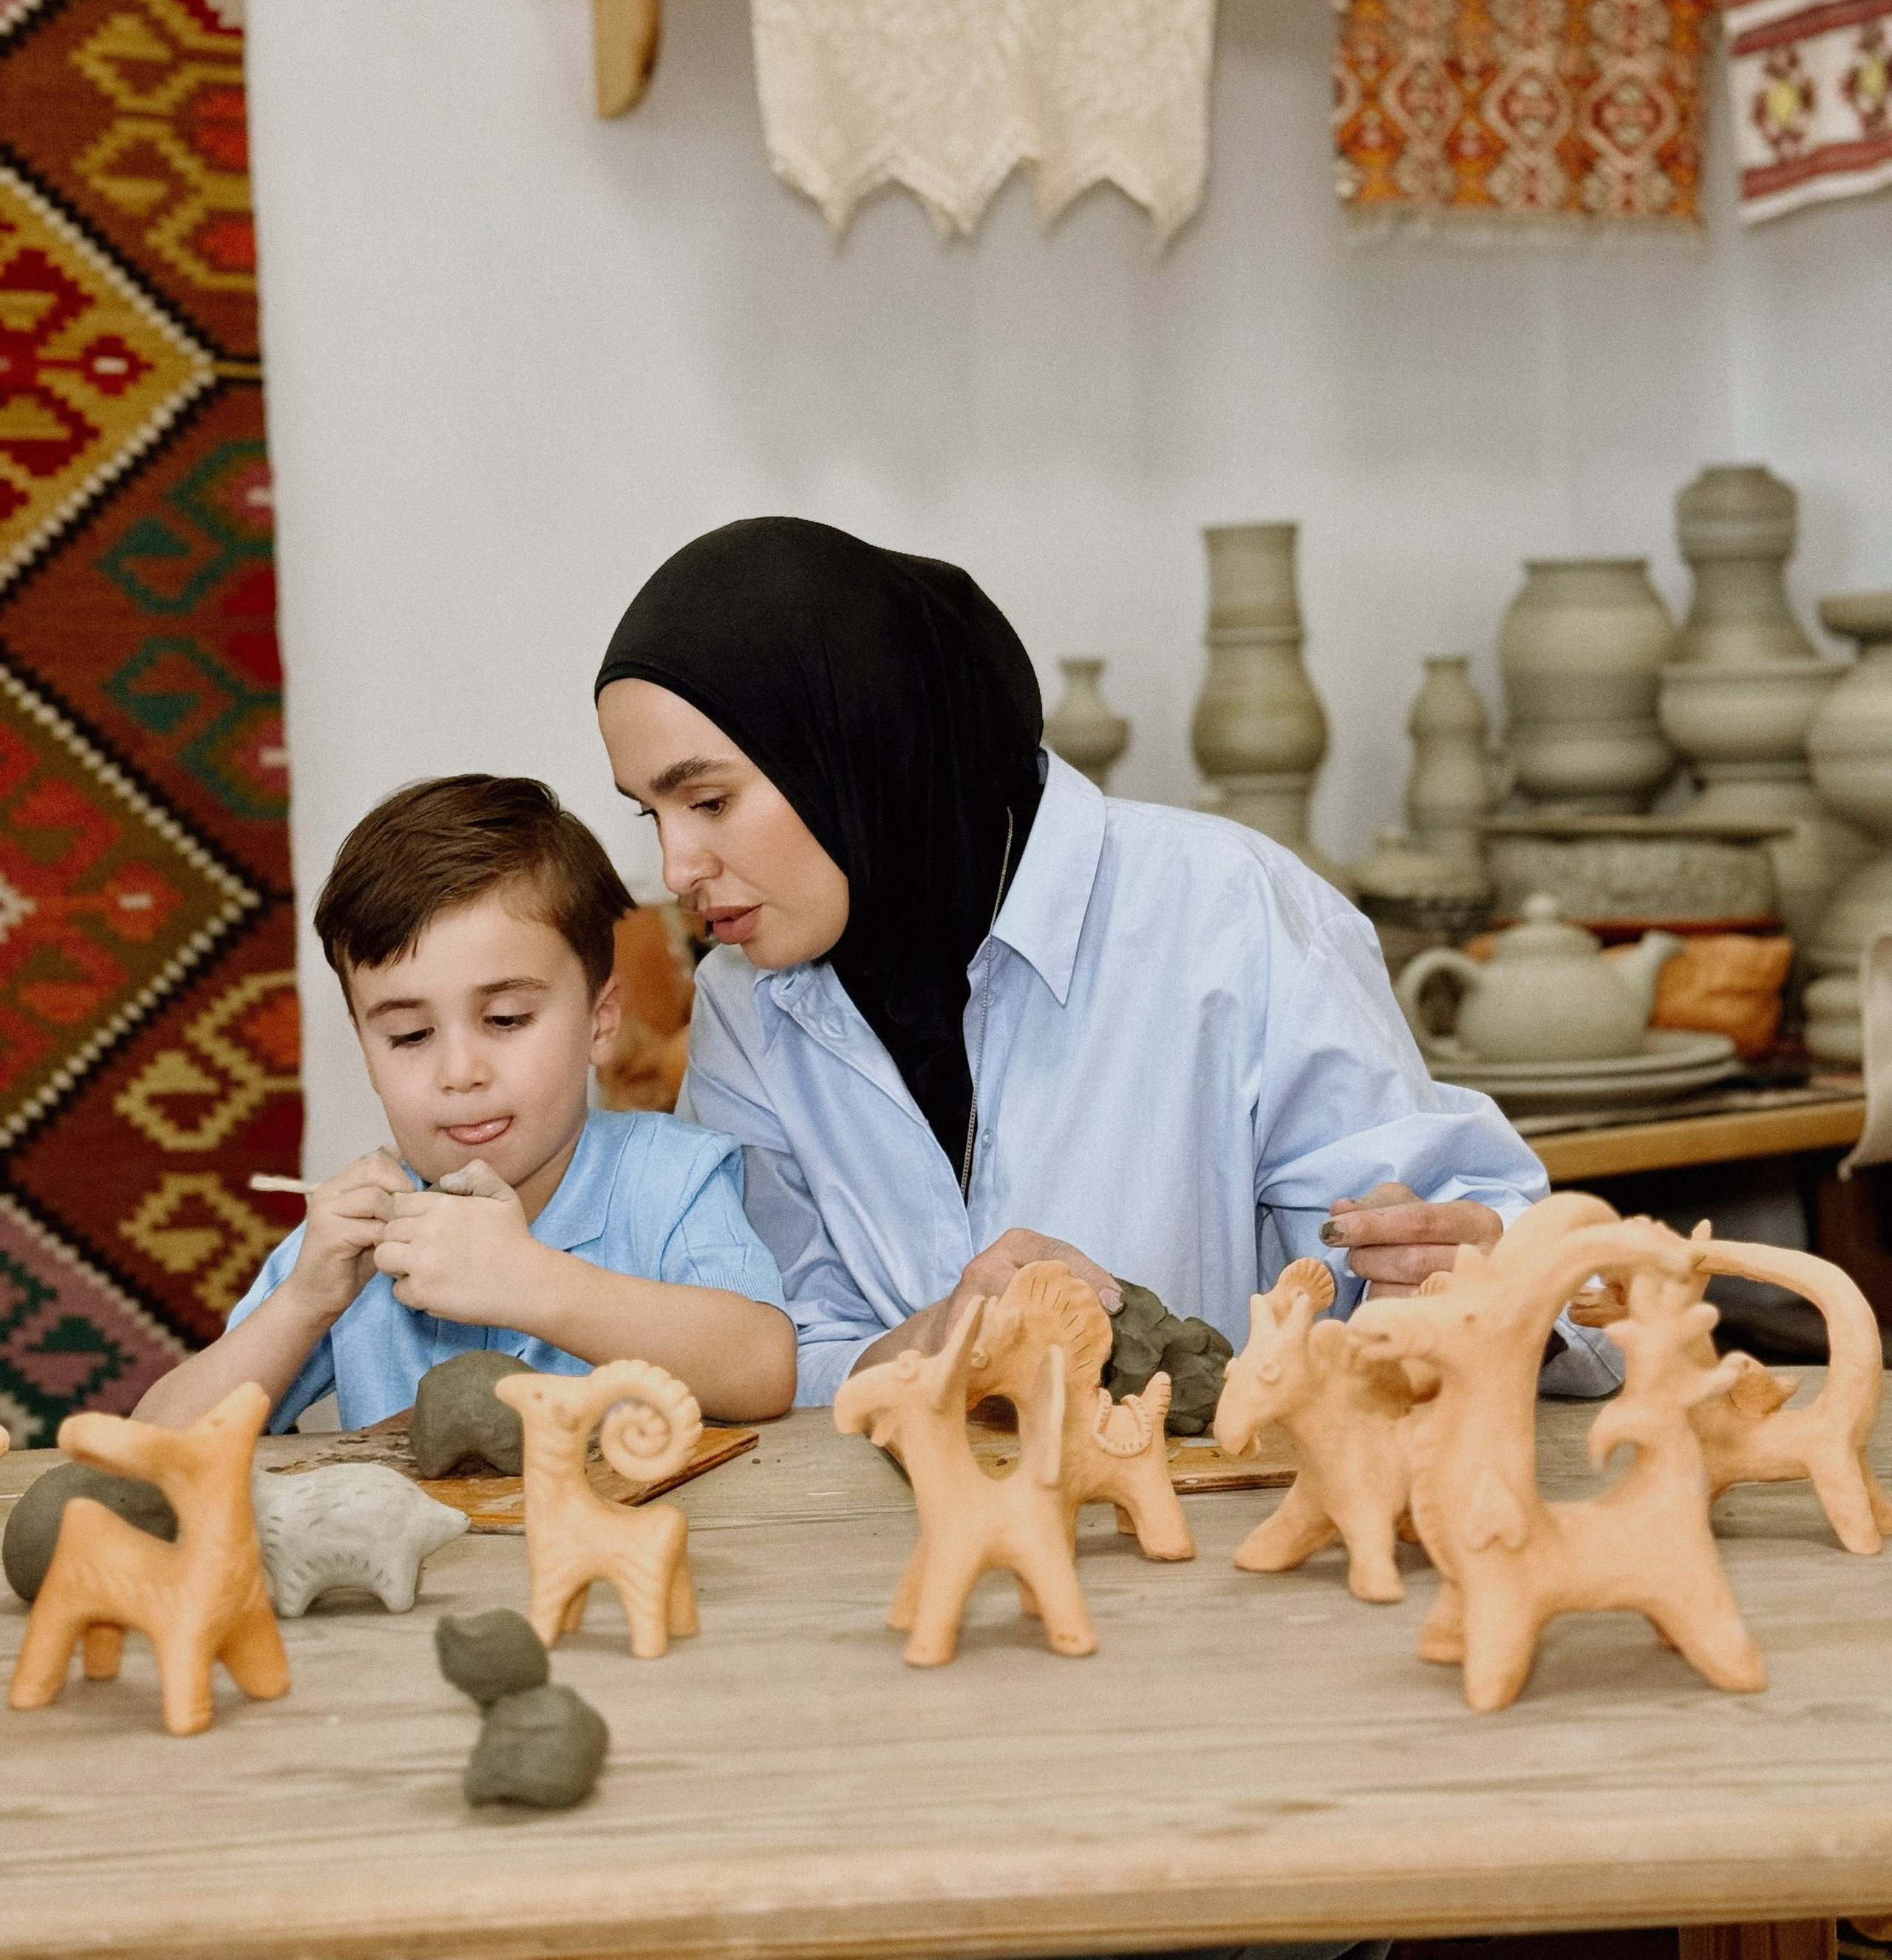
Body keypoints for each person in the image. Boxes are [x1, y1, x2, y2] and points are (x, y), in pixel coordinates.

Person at [595, 518, 1620, 1411]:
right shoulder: (745, 999)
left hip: (1234, 1563)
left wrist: (1460, 1279)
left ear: (863, 741)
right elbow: (767, 1348)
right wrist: (940, 1340)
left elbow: (1501, 1264)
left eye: (710, 801)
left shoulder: (1221, 906)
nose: (678, 867)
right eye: (653, 813)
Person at [135, 776, 797, 1432]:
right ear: (368, 1051)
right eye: (410, 1035)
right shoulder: (355, 1237)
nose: (460, 1073)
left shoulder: (668, 1180)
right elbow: (150, 1447)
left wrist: (531, 1281)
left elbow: (764, 1368)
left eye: (506, 1019)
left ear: (600, 1022)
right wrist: (305, 1302)